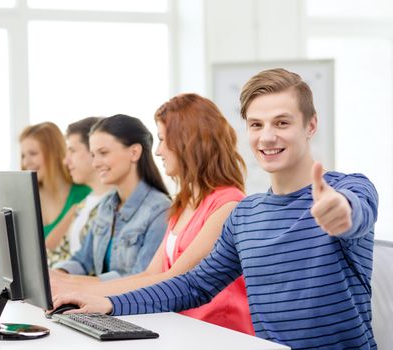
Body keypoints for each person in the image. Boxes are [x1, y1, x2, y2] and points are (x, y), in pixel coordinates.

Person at [51, 69, 379, 349]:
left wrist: (341, 213)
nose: (267, 137)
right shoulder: (246, 214)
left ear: (310, 125)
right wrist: (108, 303)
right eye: (255, 125)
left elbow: (356, 213)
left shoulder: (348, 189)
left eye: (281, 122)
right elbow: (194, 285)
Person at [52, 94, 253, 334]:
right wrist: (70, 287)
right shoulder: (184, 203)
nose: (157, 151)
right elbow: (152, 274)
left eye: (162, 140)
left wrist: (84, 292)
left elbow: (176, 280)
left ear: (188, 143)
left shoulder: (228, 204)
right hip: (178, 328)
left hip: (216, 333)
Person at [51, 114, 171, 281]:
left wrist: (76, 283)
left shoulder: (160, 210)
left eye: (103, 153)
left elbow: (141, 278)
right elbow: (83, 261)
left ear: (134, 152)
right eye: (93, 155)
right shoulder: (106, 205)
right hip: (100, 302)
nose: (95, 163)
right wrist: (55, 275)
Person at [0, 121, 91, 272]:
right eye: (23, 155)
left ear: (54, 153)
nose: (26, 162)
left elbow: (46, 253)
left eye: (33, 154)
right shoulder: (24, 198)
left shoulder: (85, 195)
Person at [47, 117, 112, 266]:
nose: (65, 161)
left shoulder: (114, 204)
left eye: (72, 151)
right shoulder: (83, 204)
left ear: (94, 150)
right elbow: (58, 255)